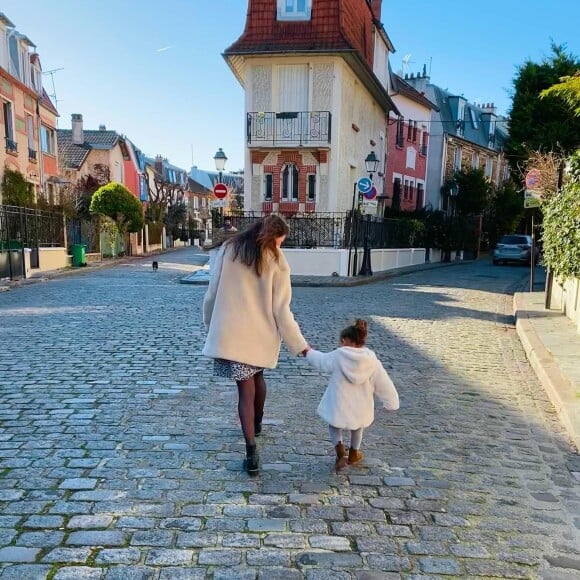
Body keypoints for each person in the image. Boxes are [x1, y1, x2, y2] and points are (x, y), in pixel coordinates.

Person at [202, 215, 309, 475]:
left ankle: (251, 451)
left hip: (232, 333)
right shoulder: (277, 260)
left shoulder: (229, 249)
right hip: (261, 334)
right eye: (280, 242)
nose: (280, 247)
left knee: (244, 392)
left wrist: (211, 327)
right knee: (257, 377)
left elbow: (212, 293)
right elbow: (281, 310)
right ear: (273, 237)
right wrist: (300, 345)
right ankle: (257, 425)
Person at [304, 319, 399, 470]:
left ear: (344, 340)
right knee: (358, 427)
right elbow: (383, 381)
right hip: (361, 404)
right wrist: (391, 402)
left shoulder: (338, 355)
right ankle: (354, 453)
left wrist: (307, 351)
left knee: (334, 425)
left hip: (339, 402)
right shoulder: (371, 359)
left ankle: (341, 453)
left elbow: (321, 361)